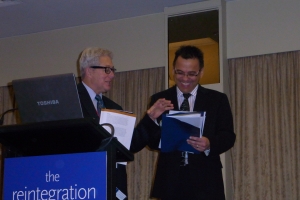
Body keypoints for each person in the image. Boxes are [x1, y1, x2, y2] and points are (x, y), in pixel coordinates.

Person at [140, 45, 236, 199]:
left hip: (207, 181)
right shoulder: (159, 99)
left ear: (201, 72)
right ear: (173, 70)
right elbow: (150, 141)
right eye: (180, 73)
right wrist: (159, 133)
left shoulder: (217, 99)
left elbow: (228, 136)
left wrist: (209, 143)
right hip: (170, 180)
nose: (185, 79)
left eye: (191, 74)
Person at [77, 47, 173, 200]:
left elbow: (130, 145)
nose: (113, 75)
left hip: (114, 187)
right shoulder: (71, 101)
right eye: (107, 70)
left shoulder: (114, 107)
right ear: (89, 71)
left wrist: (150, 118)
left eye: (113, 70)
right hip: (81, 185)